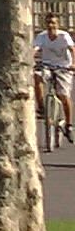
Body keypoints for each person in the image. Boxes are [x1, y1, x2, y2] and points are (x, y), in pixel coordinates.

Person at [33, 14, 75, 148]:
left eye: (53, 23)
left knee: (63, 95)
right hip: (47, 65)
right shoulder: (42, 36)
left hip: (64, 66)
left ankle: (68, 126)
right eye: (48, 23)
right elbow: (35, 49)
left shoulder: (64, 36)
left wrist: (73, 64)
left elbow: (72, 49)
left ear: (58, 24)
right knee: (37, 76)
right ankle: (41, 107)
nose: (51, 26)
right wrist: (30, 59)